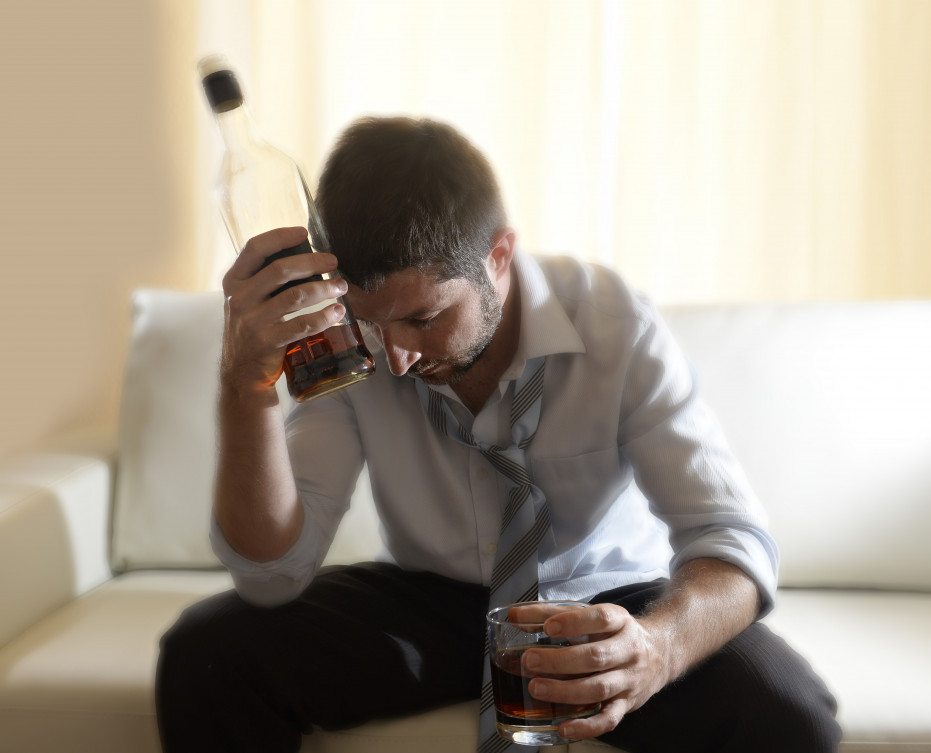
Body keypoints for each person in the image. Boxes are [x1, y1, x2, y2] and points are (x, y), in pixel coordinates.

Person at [156, 117, 841, 752]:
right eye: (373, 322)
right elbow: (272, 570)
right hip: (435, 602)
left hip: (605, 600)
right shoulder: (353, 344)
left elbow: (732, 537)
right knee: (207, 653)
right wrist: (244, 388)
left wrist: (655, 649)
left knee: (788, 709)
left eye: (424, 319)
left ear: (500, 256)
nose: (395, 358)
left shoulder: (611, 322)